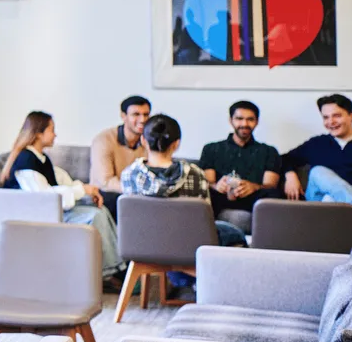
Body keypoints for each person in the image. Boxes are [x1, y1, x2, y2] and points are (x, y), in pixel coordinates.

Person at [120, 114, 247, 300]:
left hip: (143, 245)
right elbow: (205, 221)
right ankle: (209, 287)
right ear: (176, 143)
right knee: (236, 234)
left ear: (143, 141)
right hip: (187, 247)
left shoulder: (128, 175)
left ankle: (183, 282)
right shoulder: (196, 174)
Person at [0, 111, 124, 281]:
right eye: (52, 130)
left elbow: (60, 184)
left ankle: (117, 266)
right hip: (36, 216)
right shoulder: (26, 161)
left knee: (100, 210)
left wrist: (87, 191)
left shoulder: (41, 158)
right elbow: (42, 198)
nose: (55, 134)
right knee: (95, 216)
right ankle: (109, 272)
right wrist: (82, 190)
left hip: (50, 210)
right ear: (38, 134)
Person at [197, 100, 283, 231]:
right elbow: (208, 182)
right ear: (231, 120)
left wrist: (253, 187)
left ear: (257, 121)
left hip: (253, 201)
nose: (244, 124)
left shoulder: (268, 151)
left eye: (250, 119)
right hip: (221, 199)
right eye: (239, 119)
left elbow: (270, 184)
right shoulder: (212, 149)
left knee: (273, 194)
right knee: (205, 192)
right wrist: (217, 186)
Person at [282, 94, 352, 203]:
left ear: (351, 117)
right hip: (317, 201)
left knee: (329, 199)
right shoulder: (316, 143)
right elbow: (284, 159)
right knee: (317, 172)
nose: (331, 122)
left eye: (337, 116)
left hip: (336, 206)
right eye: (326, 117)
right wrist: (290, 175)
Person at [91, 95, 151, 217]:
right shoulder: (104, 140)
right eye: (136, 114)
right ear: (123, 116)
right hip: (107, 195)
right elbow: (106, 182)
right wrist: (136, 191)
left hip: (136, 195)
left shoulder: (149, 140)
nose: (142, 119)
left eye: (146, 114)